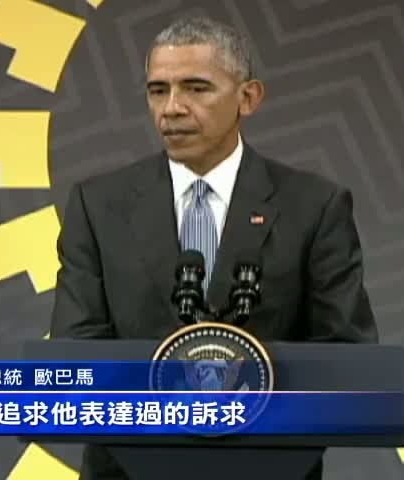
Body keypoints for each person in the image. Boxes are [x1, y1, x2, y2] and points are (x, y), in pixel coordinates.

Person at [50, 15, 378, 480]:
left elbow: (346, 357)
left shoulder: (314, 206)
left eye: (196, 88)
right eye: (158, 90)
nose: (172, 108)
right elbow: (76, 352)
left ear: (248, 97)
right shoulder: (98, 204)